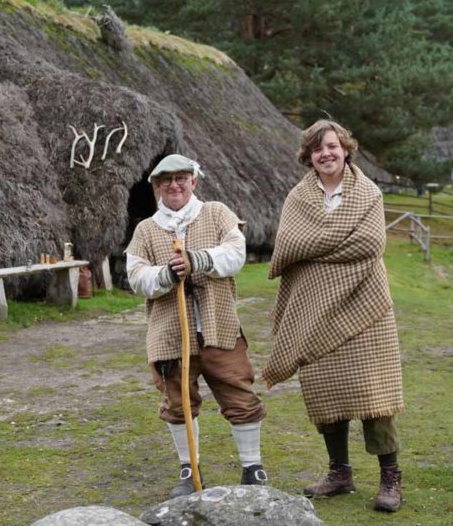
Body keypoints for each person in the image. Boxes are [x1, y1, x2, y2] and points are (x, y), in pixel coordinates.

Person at [262, 120, 405, 512]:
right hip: (315, 310)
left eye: (332, 146)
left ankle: (390, 478)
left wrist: (315, 252)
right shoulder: (298, 197)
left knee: (375, 395)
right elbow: (289, 244)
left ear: (346, 149)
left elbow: (371, 244)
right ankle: (339, 472)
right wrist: (330, 247)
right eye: (316, 149)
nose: (325, 154)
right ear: (308, 156)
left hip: (366, 307)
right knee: (326, 390)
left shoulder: (368, 193)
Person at [125, 154, 268, 498]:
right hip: (170, 334)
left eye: (181, 178)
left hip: (219, 327)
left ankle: (252, 467)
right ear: (157, 187)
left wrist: (197, 261)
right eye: (165, 180)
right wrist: (165, 275)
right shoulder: (146, 229)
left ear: (194, 181)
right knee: (178, 402)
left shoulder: (217, 213)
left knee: (240, 395)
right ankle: (189, 469)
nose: (173, 185)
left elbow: (235, 254)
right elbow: (135, 277)